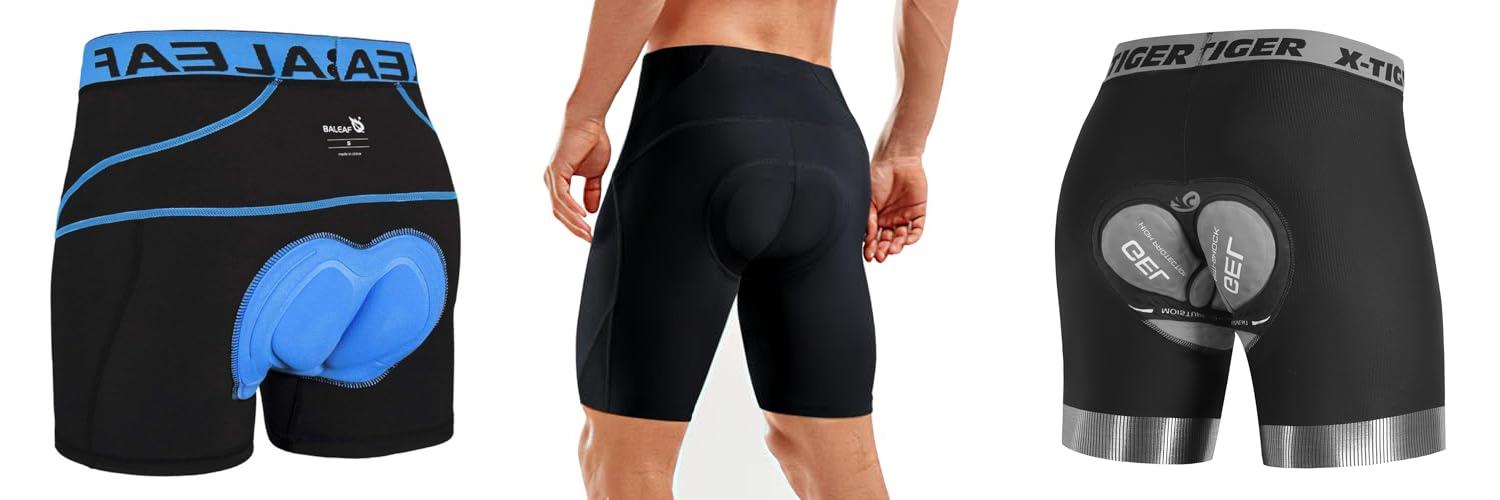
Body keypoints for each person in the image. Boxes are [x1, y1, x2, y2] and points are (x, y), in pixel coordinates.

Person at [545, 1, 957, 497]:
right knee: (836, 457)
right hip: (826, 136)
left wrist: (586, 116)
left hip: (700, 120)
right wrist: (905, 147)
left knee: (625, 462)